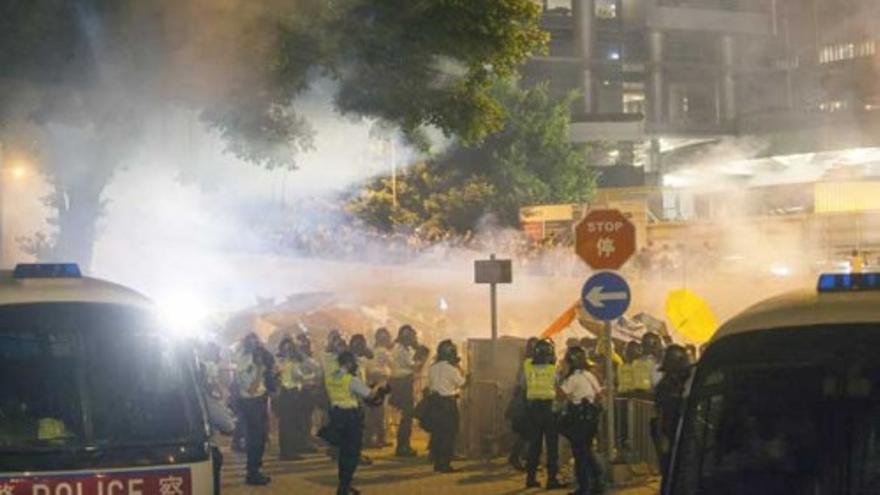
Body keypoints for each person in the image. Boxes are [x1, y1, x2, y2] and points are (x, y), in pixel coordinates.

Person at [324, 351, 391, 495]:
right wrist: (379, 387)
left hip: (336, 415)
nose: (356, 365)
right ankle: (344, 486)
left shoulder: (331, 378)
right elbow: (369, 395)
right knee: (352, 453)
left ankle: (344, 485)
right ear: (348, 363)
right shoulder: (350, 379)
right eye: (354, 362)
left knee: (343, 453)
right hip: (350, 417)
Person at [558, 346, 604, 495]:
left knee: (580, 454)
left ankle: (584, 488)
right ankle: (598, 483)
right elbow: (599, 394)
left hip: (578, 419)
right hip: (591, 419)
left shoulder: (573, 378)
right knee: (588, 451)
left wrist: (562, 375)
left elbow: (560, 395)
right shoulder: (589, 375)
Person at [232, 333, 274, 485]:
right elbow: (250, 388)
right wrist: (258, 369)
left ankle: (256, 469)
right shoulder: (245, 362)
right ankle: (252, 472)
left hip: (260, 400)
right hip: (251, 402)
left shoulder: (257, 357)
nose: (255, 345)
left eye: (257, 342)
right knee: (255, 438)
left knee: (260, 437)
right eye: (252, 342)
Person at [522, 339, 565, 489]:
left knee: (534, 445)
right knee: (552, 446)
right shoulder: (554, 370)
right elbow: (560, 389)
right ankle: (552, 479)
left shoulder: (527, 366)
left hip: (532, 410)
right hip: (549, 410)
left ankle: (530, 478)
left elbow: (523, 384)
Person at [389, 324, 429, 457]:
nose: (413, 338)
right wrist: (421, 357)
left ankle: (403, 445)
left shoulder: (404, 348)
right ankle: (402, 446)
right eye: (412, 336)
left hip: (403, 382)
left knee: (407, 416)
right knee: (407, 415)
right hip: (401, 384)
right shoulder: (400, 349)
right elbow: (414, 367)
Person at [654, 345, 692, 486]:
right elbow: (661, 415)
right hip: (672, 434)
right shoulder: (664, 387)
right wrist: (662, 439)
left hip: (686, 435)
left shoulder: (690, 384)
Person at [427, 339, 466, 473]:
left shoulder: (432, 367)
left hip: (434, 403)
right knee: (449, 434)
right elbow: (462, 383)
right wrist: (463, 370)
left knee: (437, 434)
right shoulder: (451, 369)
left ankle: (437, 462)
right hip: (447, 404)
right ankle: (445, 464)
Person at [507, 336, 539, 471]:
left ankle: (521, 458)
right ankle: (521, 458)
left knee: (528, 433)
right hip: (529, 401)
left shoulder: (526, 362)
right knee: (530, 433)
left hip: (529, 400)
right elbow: (523, 384)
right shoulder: (530, 363)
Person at [275, 335, 304, 461]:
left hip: (294, 391)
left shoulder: (295, 361)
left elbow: (300, 376)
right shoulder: (278, 361)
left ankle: (291, 450)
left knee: (293, 423)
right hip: (284, 392)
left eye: (290, 348)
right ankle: (286, 451)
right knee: (286, 423)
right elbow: (277, 375)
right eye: (285, 348)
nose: (288, 350)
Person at [364, 328, 393, 448]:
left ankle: (372, 438)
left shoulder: (371, 351)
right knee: (380, 413)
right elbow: (392, 364)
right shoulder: (384, 352)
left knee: (372, 412)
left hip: (370, 383)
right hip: (380, 383)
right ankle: (378, 439)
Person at [295, 332, 322, 453]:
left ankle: (306, 439)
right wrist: (313, 377)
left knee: (307, 417)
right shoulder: (301, 360)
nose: (308, 346)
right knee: (303, 418)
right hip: (304, 391)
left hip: (310, 390)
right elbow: (305, 376)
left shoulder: (309, 359)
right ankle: (303, 442)